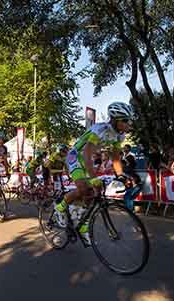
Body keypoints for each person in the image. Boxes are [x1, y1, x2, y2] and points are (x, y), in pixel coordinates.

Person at [55, 102, 133, 245]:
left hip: (87, 159)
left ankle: (83, 226)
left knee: (94, 193)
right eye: (126, 120)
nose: (129, 124)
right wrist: (93, 177)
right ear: (115, 119)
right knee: (84, 188)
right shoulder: (101, 129)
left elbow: (115, 157)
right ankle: (60, 207)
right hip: (76, 156)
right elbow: (86, 153)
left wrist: (121, 175)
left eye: (130, 120)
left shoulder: (119, 136)